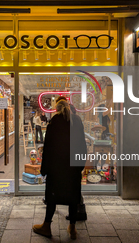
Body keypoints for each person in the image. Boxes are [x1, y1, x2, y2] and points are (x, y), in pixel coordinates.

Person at [33, 99, 87, 239]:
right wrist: (80, 166)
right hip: (72, 167)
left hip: (57, 167)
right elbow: (82, 144)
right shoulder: (77, 121)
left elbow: (49, 146)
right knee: (73, 196)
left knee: (52, 196)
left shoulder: (55, 121)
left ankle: (47, 226)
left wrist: (44, 169)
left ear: (56, 108)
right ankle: (72, 228)